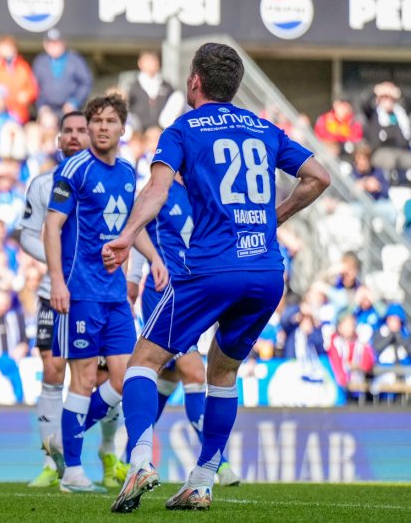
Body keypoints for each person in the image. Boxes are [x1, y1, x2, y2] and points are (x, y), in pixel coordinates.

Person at [105, 43, 330, 513]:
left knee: (144, 361)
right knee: (223, 371)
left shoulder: (183, 129)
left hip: (210, 267)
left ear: (194, 81)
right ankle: (203, 479)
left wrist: (128, 234)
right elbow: (320, 177)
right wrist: (277, 216)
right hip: (267, 271)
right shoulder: (264, 128)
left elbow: (156, 188)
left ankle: (142, 459)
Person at [44, 94, 166, 493]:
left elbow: (135, 227)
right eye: (95, 120)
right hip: (81, 290)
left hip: (115, 294)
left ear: (121, 128)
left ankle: (67, 437)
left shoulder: (129, 171)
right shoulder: (74, 168)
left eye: (109, 121)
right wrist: (58, 282)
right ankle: (73, 473)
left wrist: (154, 260)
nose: (100, 127)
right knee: (80, 379)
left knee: (124, 376)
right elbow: (52, 227)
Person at [126, 178, 242, 488]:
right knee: (193, 371)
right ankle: (217, 463)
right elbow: (138, 227)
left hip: (194, 295)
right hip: (162, 293)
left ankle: (131, 455)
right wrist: (135, 277)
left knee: (167, 378)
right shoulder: (160, 188)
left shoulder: (203, 189)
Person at [20, 111, 89, 488]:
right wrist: (58, 261)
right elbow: (28, 234)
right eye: (69, 131)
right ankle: (51, 461)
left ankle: (106, 452)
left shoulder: (105, 180)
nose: (75, 136)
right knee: (52, 370)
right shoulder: (43, 183)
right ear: (58, 139)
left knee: (99, 375)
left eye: (82, 130)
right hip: (54, 292)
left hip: (96, 293)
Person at [32, 29, 92, 116]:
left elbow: (86, 82)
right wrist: (41, 105)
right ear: (45, 45)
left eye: (56, 43)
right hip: (48, 109)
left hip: (70, 108)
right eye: (50, 43)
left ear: (63, 43)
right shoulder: (40, 62)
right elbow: (34, 86)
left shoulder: (75, 60)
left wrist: (74, 101)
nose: (53, 46)